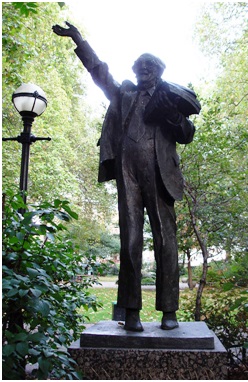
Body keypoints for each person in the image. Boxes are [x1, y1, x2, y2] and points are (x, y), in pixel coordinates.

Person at [53, 22, 198, 332]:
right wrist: (79, 39)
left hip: (159, 174)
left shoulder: (169, 97)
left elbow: (187, 134)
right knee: (129, 240)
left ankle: (169, 312)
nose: (142, 69)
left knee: (166, 241)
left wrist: (172, 116)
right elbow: (98, 71)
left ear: (158, 71)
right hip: (127, 172)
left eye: (149, 65)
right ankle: (130, 312)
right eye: (138, 65)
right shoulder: (123, 93)